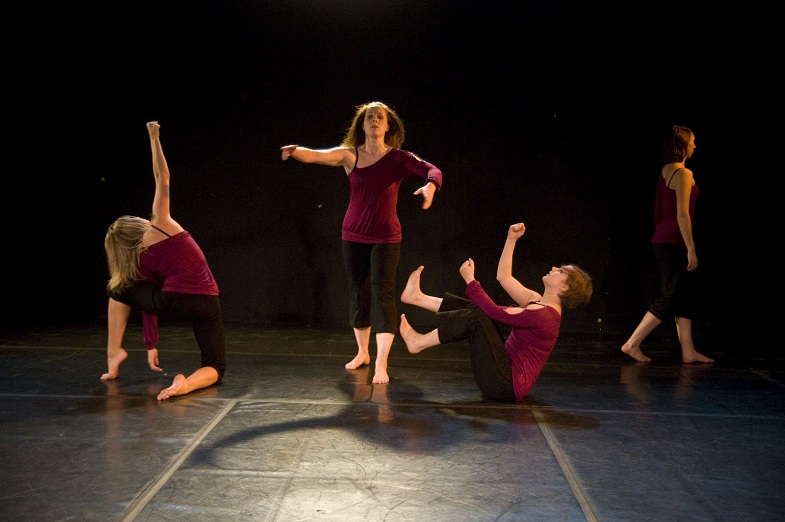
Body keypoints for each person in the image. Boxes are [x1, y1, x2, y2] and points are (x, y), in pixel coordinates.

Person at [280, 101, 443, 384]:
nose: (375, 120)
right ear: (362, 124)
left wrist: (430, 186)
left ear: (388, 125)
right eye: (370, 117)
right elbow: (317, 156)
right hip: (353, 235)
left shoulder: (398, 158)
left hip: (386, 238)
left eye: (380, 117)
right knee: (358, 293)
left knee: (383, 295)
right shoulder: (350, 155)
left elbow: (433, 170)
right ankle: (363, 352)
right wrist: (295, 151)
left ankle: (381, 362)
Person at [101, 121, 227, 400]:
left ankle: (114, 353)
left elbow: (148, 303)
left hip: (172, 301)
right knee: (215, 366)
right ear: (135, 223)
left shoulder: (138, 261)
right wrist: (154, 137)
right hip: (208, 300)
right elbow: (162, 177)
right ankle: (188, 383)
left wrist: (151, 344)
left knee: (118, 287)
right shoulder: (160, 224)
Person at [398, 223, 593, 402]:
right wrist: (511, 239)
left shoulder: (543, 316)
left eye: (561, 271)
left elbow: (493, 312)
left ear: (565, 287)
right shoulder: (537, 301)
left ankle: (419, 342)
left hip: (504, 385)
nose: (554, 268)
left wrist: (470, 280)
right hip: (502, 376)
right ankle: (417, 298)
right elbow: (504, 277)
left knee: (478, 316)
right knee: (478, 310)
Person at [621, 125, 714, 364]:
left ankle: (688, 350)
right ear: (682, 146)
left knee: (684, 296)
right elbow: (683, 214)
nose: (695, 146)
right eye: (692, 142)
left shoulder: (665, 171)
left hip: (663, 239)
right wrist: (691, 248)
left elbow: (658, 211)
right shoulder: (684, 174)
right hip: (674, 241)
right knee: (669, 295)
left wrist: (661, 236)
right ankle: (632, 343)